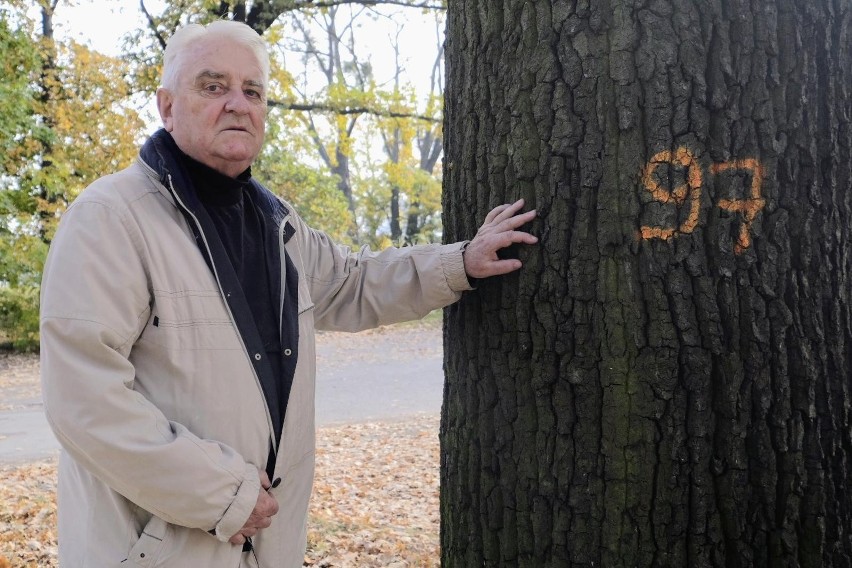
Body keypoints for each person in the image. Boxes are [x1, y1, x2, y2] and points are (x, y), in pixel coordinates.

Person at [39, 19, 537, 568]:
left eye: (252, 91)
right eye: (213, 86)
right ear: (167, 106)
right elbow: (84, 401)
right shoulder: (110, 219)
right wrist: (225, 493)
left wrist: (460, 262)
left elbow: (353, 282)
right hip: (158, 550)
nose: (237, 103)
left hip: (267, 547)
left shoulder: (278, 224)